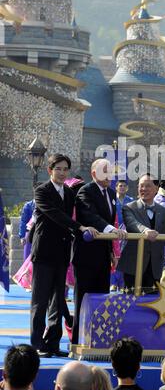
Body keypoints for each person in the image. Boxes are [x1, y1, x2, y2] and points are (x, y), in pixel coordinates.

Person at [30, 153, 98, 357]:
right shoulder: (41, 190)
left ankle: (52, 344)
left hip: (61, 253)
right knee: (40, 301)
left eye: (65, 169)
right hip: (43, 252)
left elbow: (76, 213)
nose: (61, 172)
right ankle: (36, 344)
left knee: (58, 301)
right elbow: (55, 215)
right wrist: (80, 227)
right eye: (57, 168)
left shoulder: (69, 194)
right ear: (50, 170)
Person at [72, 159, 127, 345]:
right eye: (105, 171)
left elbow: (112, 219)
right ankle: (77, 341)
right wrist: (111, 230)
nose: (109, 175)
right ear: (94, 173)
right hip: (86, 256)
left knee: (102, 300)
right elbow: (89, 216)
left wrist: (113, 250)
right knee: (83, 300)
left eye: (111, 171)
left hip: (103, 256)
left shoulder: (111, 193)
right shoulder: (85, 191)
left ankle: (97, 339)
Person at [118, 173, 165, 291]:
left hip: (155, 266)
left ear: (156, 188)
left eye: (148, 186)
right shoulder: (129, 207)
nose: (144, 189)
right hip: (133, 265)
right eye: (141, 186)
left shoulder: (164, 211)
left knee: (152, 303)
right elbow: (132, 224)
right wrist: (146, 231)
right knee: (130, 302)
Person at [110, 180, 133, 291]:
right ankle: (113, 282)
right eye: (120, 186)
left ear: (127, 188)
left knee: (124, 258)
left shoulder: (131, 201)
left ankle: (122, 284)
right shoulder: (111, 199)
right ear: (116, 187)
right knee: (113, 257)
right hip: (113, 232)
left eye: (124, 186)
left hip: (126, 234)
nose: (122, 188)